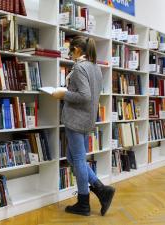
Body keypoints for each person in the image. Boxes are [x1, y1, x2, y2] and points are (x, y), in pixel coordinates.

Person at [52, 36, 115, 216]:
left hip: (76, 120)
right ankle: (101, 189)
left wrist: (63, 94)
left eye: (71, 51)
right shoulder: (95, 67)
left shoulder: (80, 68)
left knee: (78, 159)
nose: (70, 55)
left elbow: (85, 96)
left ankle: (83, 203)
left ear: (78, 50)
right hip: (87, 119)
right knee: (72, 158)